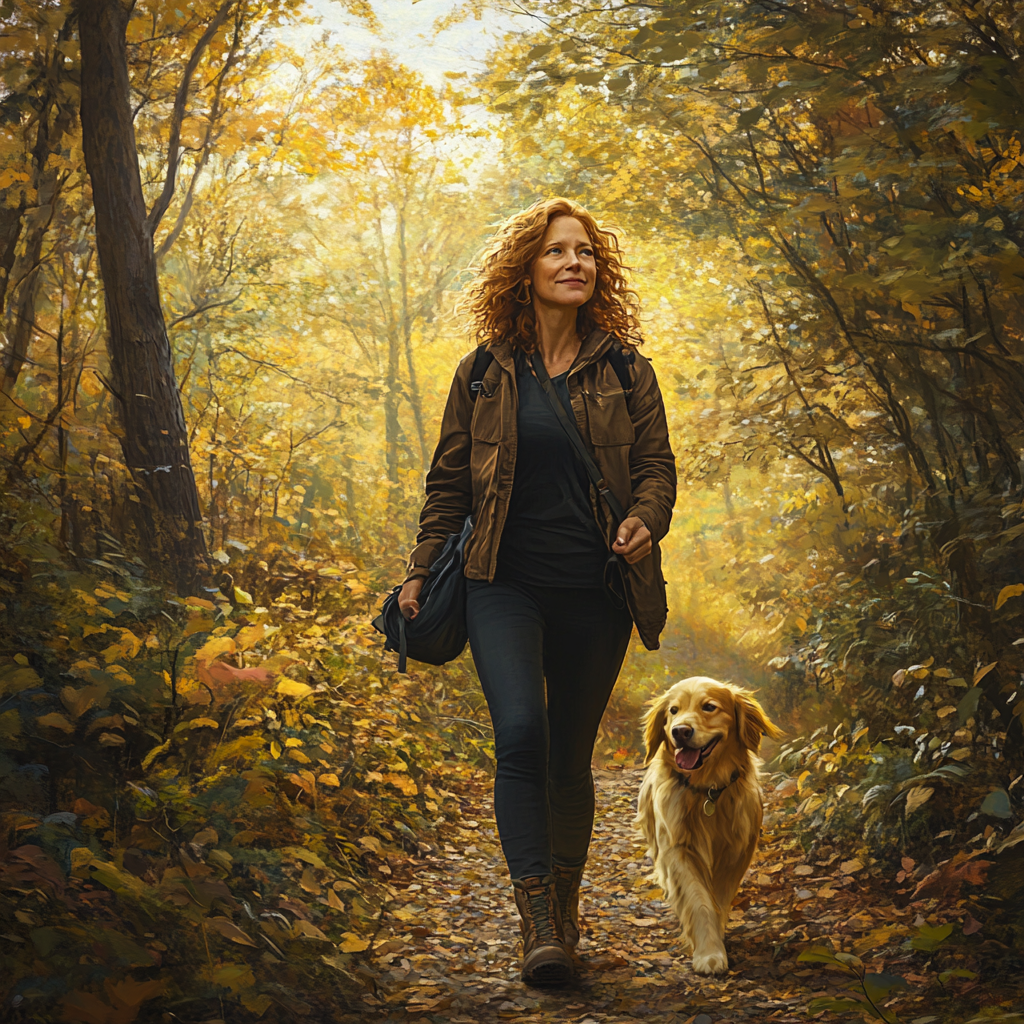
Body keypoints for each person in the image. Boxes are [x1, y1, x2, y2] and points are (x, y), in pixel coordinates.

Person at [396, 197, 676, 985]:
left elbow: (657, 468)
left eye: (586, 251)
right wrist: (420, 567)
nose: (574, 262)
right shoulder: (484, 372)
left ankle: (566, 908)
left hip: (596, 588)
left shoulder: (626, 369)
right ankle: (539, 927)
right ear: (527, 269)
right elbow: (448, 483)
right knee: (522, 732)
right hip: (501, 582)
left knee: (569, 755)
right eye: (557, 251)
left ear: (600, 269)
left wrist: (645, 520)